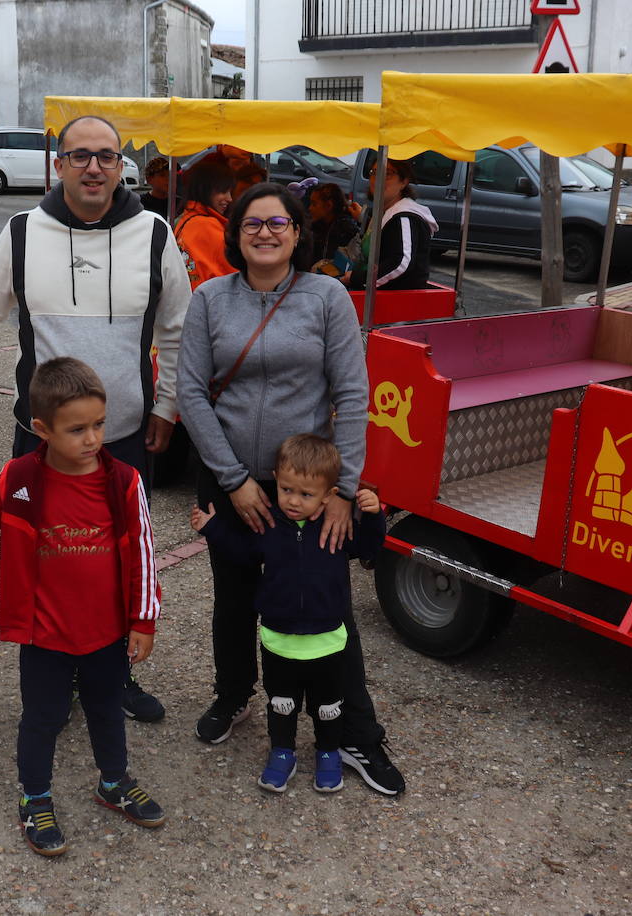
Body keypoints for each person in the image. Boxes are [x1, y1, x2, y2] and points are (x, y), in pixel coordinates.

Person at [0, 114, 191, 723]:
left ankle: (115, 675)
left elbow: (180, 332)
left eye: (106, 156)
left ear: (121, 166)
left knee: (119, 558)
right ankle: (55, 678)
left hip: (124, 435)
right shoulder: (24, 231)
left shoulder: (155, 234)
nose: (94, 167)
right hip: (42, 439)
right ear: (59, 165)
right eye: (80, 155)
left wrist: (167, 406)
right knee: (49, 561)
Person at [177, 181, 406, 796]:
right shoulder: (209, 300)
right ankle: (234, 696)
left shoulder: (327, 297)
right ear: (236, 234)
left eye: (279, 224)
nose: (266, 234)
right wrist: (234, 482)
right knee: (235, 595)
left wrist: (343, 488)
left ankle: (356, 732)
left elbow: (353, 394)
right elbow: (191, 393)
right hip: (230, 479)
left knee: (326, 604)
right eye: (253, 224)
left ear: (298, 234)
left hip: (308, 489)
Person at [0, 357, 166, 857]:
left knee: (106, 710)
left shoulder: (123, 481)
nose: (92, 439)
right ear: (42, 429)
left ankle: (112, 782)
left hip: (107, 632)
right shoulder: (21, 477)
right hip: (45, 635)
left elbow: (142, 551)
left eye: (98, 424)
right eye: (77, 429)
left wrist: (143, 620)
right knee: (42, 717)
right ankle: (35, 797)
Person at [190, 435, 385, 794]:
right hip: (278, 639)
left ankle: (328, 752)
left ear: (328, 495)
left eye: (306, 494)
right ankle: (282, 752)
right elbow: (243, 554)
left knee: (328, 705)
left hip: (327, 640)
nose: (293, 501)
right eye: (286, 489)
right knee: (281, 703)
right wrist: (212, 528)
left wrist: (374, 516)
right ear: (276, 479)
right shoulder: (269, 528)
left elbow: (369, 548)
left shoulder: (336, 531)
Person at [345, 157, 437, 291]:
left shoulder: (404, 217)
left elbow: (400, 263)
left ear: (404, 182)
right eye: (374, 172)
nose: (378, 179)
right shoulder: (383, 212)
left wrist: (358, 279)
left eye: (387, 174)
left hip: (399, 301)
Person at [174, 160, 236, 290]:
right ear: (205, 189)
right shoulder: (206, 226)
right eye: (223, 191)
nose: (229, 198)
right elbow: (233, 277)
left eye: (230, 192)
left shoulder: (186, 219)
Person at [306, 183, 362, 277]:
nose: (310, 208)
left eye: (314, 204)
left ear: (328, 205)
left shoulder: (344, 228)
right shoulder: (319, 225)